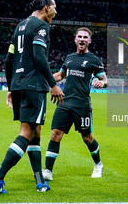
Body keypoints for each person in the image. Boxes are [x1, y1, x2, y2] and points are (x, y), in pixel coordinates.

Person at [0, 0, 64, 194]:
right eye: (54, 7)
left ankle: (40, 181)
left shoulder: (19, 27)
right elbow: (39, 56)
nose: (56, 11)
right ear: (46, 8)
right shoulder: (42, 26)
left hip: (19, 84)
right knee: (27, 132)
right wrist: (53, 84)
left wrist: (11, 88)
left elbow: (8, 60)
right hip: (33, 85)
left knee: (35, 132)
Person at [42, 27, 108, 181]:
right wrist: (45, 78)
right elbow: (60, 75)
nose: (82, 39)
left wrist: (101, 82)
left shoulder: (94, 60)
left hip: (82, 104)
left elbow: (105, 80)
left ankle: (98, 164)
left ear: (89, 41)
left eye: (85, 37)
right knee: (55, 134)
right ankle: (48, 171)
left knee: (87, 137)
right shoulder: (69, 58)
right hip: (64, 101)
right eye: (79, 37)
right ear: (75, 39)